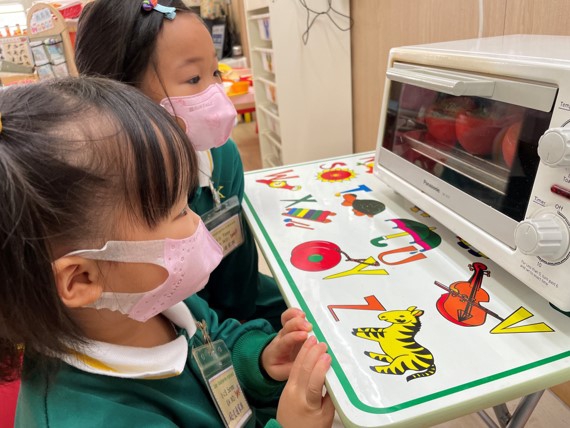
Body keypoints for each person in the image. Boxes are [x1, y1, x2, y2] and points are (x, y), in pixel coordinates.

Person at [0, 77, 334, 427]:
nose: (198, 222)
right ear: (82, 278)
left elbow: (214, 340)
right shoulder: (94, 418)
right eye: (178, 212)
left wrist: (260, 360)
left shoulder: (159, 302)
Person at [74, 0, 287, 331]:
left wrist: (248, 319)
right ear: (121, 95)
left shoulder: (221, 155)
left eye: (215, 72)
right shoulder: (115, 197)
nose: (215, 92)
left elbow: (238, 257)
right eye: (193, 78)